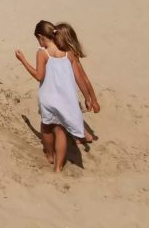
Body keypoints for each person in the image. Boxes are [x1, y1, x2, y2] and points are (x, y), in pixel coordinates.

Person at [15, 20, 98, 173]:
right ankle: (58, 167)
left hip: (48, 98)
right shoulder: (68, 53)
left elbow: (39, 76)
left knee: (46, 127)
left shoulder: (42, 52)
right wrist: (88, 97)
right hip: (66, 99)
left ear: (41, 37)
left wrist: (23, 61)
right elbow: (79, 78)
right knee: (60, 130)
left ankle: (50, 155)